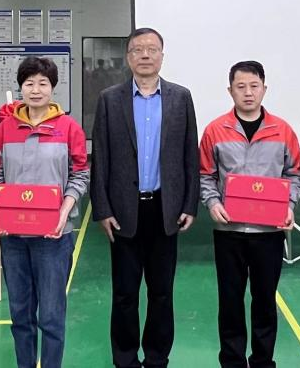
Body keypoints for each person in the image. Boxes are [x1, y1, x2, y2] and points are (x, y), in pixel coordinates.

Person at [90, 27, 200, 368]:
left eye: (152, 49)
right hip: (124, 210)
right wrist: (102, 209)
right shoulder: (110, 99)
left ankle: (156, 358)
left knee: (161, 293)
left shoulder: (181, 98)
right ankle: (124, 359)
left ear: (162, 56)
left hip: (166, 210)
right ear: (128, 57)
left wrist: (190, 204)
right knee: (124, 293)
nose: (145, 55)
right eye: (138, 49)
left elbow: (190, 155)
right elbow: (101, 157)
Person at [199, 60, 300, 368]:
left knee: (265, 301)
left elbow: (295, 172)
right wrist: (213, 203)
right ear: (230, 90)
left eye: (254, 86)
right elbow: (205, 174)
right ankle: (231, 361)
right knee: (230, 302)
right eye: (240, 86)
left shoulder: (282, 130)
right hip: (229, 232)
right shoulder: (215, 130)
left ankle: (262, 361)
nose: (248, 92)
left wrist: (289, 205)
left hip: (268, 233)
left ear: (264, 89)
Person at [0, 56, 89, 368]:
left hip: (54, 237)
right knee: (20, 314)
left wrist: (65, 209)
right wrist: (0, 207)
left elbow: (80, 174)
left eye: (42, 83)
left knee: (51, 316)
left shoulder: (68, 128)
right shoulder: (6, 129)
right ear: (20, 87)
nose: (35, 90)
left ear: (52, 88)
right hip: (14, 237)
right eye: (29, 83)